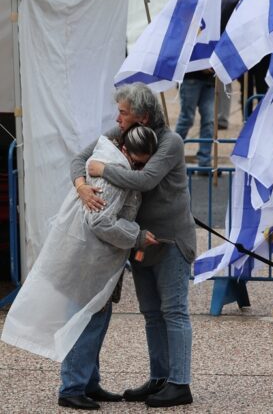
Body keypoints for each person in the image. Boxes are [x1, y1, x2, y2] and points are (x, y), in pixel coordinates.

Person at [1, 124, 159, 411]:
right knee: (86, 321)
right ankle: (73, 387)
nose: (138, 169)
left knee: (95, 319)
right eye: (138, 162)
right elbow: (99, 221)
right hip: (87, 259)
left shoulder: (111, 158)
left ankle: (87, 382)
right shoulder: (115, 172)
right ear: (127, 152)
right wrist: (135, 236)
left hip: (90, 257)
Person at [72, 83, 197, 408]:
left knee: (174, 312)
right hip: (139, 239)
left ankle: (180, 383)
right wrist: (82, 185)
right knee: (152, 314)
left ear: (141, 116)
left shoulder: (171, 142)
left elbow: (145, 180)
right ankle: (159, 379)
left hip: (170, 241)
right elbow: (80, 159)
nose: (118, 118)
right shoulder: (123, 131)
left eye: (123, 113)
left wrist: (103, 170)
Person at [174, 0, 215, 170]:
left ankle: (205, 161)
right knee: (186, 119)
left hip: (207, 77)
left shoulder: (213, 9)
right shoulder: (187, 7)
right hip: (191, 76)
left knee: (209, 120)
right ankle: (171, 158)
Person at [217, 0, 242, 130]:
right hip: (220, 46)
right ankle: (218, 117)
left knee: (223, 83)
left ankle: (221, 118)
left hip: (224, 46)